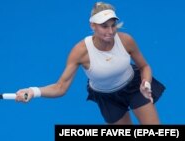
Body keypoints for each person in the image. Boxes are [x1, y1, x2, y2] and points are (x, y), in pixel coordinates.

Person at [15, 1, 165, 124]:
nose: (111, 31)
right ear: (92, 25)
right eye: (104, 26)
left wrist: (145, 83)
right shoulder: (80, 51)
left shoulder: (126, 40)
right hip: (107, 98)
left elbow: (144, 66)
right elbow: (60, 87)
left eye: (113, 25)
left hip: (134, 87)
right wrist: (33, 91)